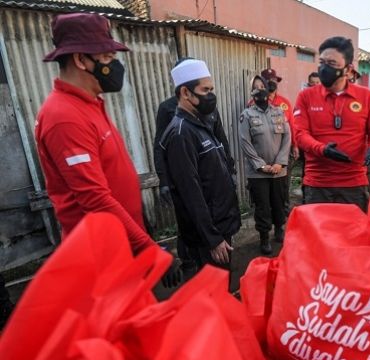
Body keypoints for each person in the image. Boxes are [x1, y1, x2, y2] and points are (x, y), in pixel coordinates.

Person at [34, 13, 181, 287]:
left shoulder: (90, 104)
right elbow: (95, 199)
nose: (114, 65)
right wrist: (148, 248)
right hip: (101, 255)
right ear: (81, 59)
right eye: (107, 57)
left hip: (121, 245)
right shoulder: (64, 117)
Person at [153, 57, 236, 277]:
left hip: (219, 223)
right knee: (213, 294)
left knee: (221, 289)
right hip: (209, 235)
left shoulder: (199, 122)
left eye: (212, 89)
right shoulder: (181, 133)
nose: (211, 95)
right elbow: (191, 193)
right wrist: (213, 239)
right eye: (205, 90)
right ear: (185, 93)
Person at [294, 36, 370, 212]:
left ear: (348, 69)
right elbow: (300, 135)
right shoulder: (306, 97)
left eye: (332, 63)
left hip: (354, 184)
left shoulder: (366, 97)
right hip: (317, 184)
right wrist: (322, 149)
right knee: (318, 238)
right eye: (321, 62)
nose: (324, 68)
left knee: (353, 236)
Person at [239, 76, 291, 255]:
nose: (260, 89)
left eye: (263, 86)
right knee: (262, 206)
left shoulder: (279, 112)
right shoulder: (246, 115)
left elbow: (287, 137)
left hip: (278, 170)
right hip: (258, 173)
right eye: (256, 87)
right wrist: (260, 166)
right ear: (252, 92)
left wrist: (280, 162)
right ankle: (263, 238)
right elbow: (245, 142)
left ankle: (279, 229)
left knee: (279, 202)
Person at [260, 68, 298, 215]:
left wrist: (295, 145)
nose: (272, 83)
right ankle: (269, 210)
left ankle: (283, 209)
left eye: (274, 80)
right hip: (264, 151)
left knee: (283, 183)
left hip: (284, 151)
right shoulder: (253, 103)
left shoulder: (285, 103)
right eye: (268, 80)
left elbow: (292, 125)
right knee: (267, 183)